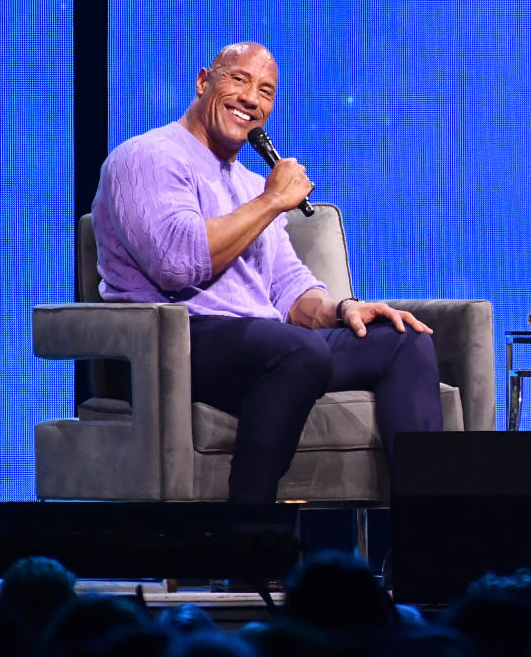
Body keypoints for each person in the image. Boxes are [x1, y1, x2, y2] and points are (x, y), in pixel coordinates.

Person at [91, 41, 442, 503]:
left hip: (267, 344)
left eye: (266, 92)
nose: (252, 99)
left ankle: (424, 539)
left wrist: (344, 308)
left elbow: (289, 292)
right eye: (238, 79)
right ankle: (245, 534)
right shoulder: (147, 158)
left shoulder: (253, 184)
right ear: (203, 82)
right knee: (295, 351)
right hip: (177, 344)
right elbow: (176, 263)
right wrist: (272, 202)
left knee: (404, 340)